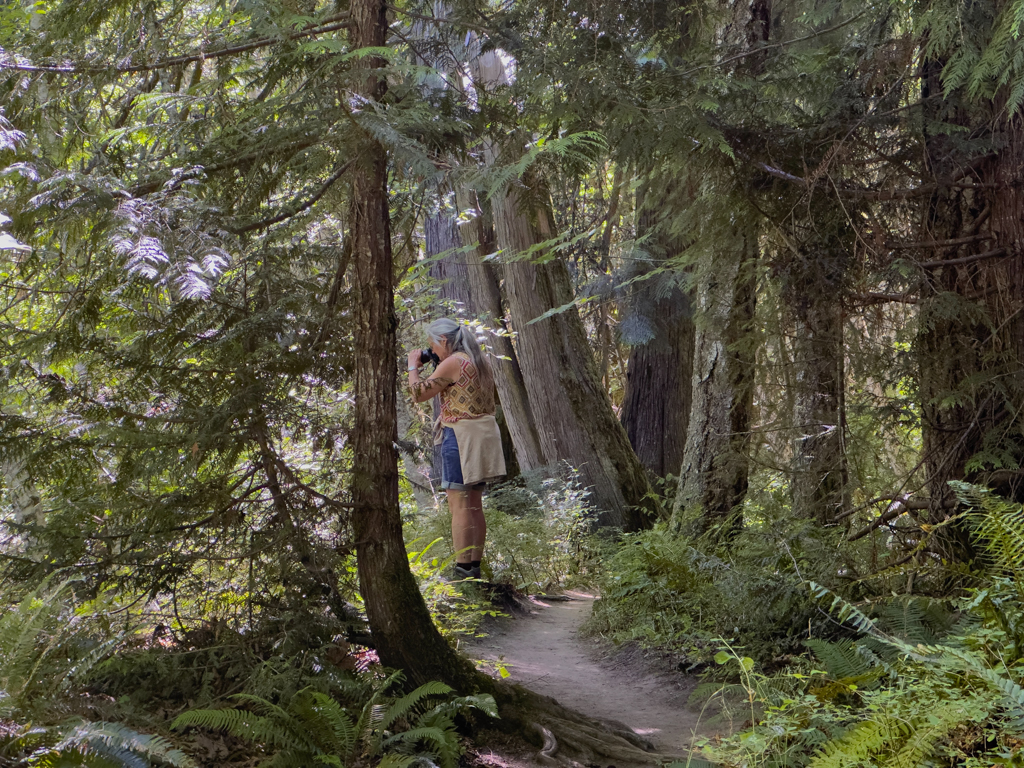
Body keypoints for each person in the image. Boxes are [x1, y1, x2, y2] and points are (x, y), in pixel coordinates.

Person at [407, 318, 505, 580]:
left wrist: (412, 367)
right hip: (482, 436)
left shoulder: (453, 362)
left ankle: (462, 570)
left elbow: (418, 393)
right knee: (474, 504)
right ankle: (473, 566)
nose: (433, 352)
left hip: (461, 436)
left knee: (458, 504)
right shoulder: (477, 360)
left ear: (445, 341)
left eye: (433, 346)